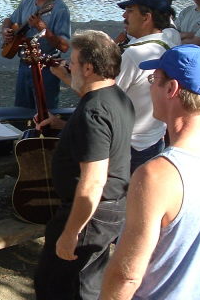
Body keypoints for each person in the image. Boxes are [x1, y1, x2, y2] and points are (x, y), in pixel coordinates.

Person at [100, 45, 200, 299]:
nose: (150, 88)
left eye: (153, 80)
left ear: (171, 89)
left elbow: (127, 274)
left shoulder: (157, 175)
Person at [33, 30, 134, 300]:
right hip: (108, 211)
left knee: (61, 287)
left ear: (88, 68)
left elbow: (93, 181)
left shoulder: (93, 111)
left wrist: (71, 232)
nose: (69, 66)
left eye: (73, 62)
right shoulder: (117, 97)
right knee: (85, 281)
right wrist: (62, 126)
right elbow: (102, 140)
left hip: (89, 215)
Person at [116, 0, 180, 171]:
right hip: (154, 138)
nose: (124, 16)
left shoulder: (134, 54)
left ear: (146, 17)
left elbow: (106, 99)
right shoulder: (169, 41)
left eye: (130, 11)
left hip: (129, 145)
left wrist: (67, 76)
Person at [1, 0, 70, 110]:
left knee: (45, 113)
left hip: (46, 69)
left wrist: (44, 30)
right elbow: (9, 20)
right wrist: (6, 30)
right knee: (20, 113)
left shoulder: (60, 9)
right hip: (24, 65)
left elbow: (64, 46)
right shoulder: (27, 2)